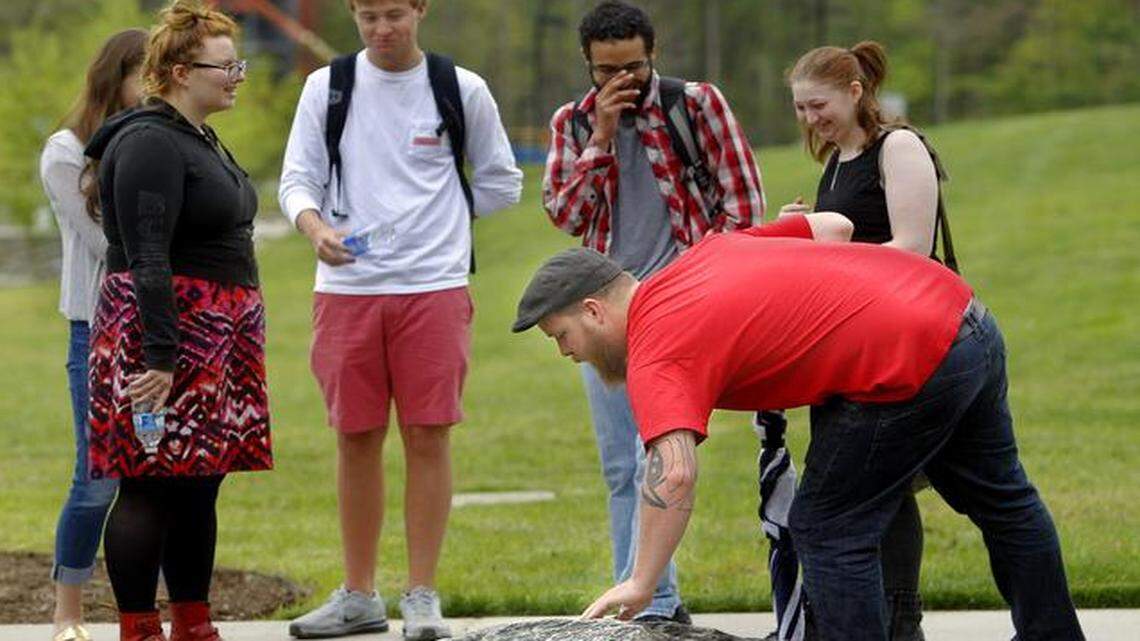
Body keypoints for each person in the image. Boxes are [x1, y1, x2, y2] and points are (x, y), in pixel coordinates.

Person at [512, 214, 1085, 641]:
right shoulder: (705, 255)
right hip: (962, 315)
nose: (566, 353)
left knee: (828, 527)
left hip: (910, 361)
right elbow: (832, 225)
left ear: (593, 310)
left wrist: (641, 582)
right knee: (1002, 498)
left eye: (561, 336)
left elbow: (674, 474)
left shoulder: (656, 346)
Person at [278, 0, 522, 638]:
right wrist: (314, 226)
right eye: (367, 17)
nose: (382, 30)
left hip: (434, 288)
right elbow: (296, 180)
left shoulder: (459, 88)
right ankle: (358, 594)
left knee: (428, 434)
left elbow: (501, 182)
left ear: (420, 9)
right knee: (354, 437)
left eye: (394, 14)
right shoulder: (326, 87)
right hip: (345, 289)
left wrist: (440, 225)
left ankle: (421, 595)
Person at [541, 0, 765, 622]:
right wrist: (604, 139)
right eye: (606, 70)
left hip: (687, 307)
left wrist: (699, 280)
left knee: (669, 454)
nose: (622, 81)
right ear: (588, 65)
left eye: (634, 68)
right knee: (622, 465)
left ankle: (654, 598)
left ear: (653, 55)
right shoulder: (574, 123)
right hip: (607, 318)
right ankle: (649, 603)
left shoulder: (696, 105)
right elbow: (566, 216)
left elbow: (744, 205)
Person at [83, 2, 271, 640]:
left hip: (215, 335)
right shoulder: (146, 142)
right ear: (181, 70)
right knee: (149, 485)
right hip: (163, 335)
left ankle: (194, 623)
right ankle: (139, 629)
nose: (238, 76)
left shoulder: (197, 136)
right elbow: (146, 260)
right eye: (228, 66)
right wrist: (160, 359)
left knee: (199, 483)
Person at [772, 40, 950, 640]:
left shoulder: (896, 148)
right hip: (850, 350)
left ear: (855, 92)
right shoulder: (839, 159)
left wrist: (827, 246)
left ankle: (901, 618)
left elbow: (912, 250)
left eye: (817, 104)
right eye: (799, 109)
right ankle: (880, 620)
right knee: (878, 493)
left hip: (903, 347)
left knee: (904, 490)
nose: (809, 119)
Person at [39, 28, 147, 641]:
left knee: (157, 478)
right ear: (117, 76)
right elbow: (109, 244)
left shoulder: (161, 135)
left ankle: (144, 612)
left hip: (161, 328)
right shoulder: (66, 151)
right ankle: (68, 615)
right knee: (97, 479)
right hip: (97, 328)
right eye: (145, 76)